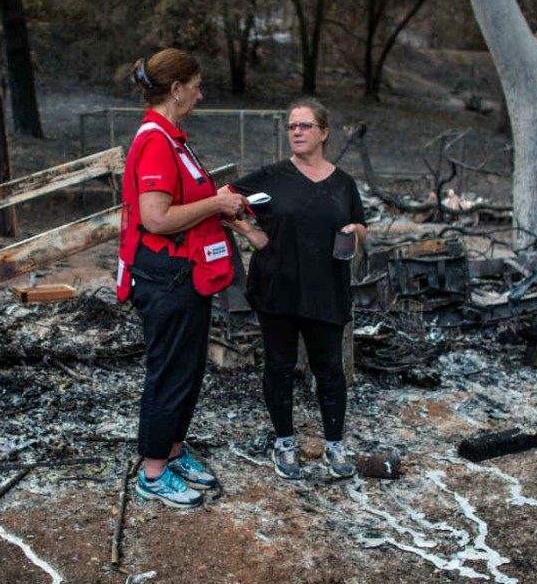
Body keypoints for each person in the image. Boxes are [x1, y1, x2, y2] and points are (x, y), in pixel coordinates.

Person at [115, 49, 249, 508]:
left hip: (187, 274)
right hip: (163, 276)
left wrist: (218, 198)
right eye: (196, 84)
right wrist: (215, 205)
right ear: (176, 89)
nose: (201, 92)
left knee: (187, 368)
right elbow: (155, 217)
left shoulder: (174, 139)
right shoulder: (154, 140)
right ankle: (152, 472)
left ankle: (172, 451)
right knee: (169, 370)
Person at [223, 98, 367, 480]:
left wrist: (357, 234)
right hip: (278, 287)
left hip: (326, 289)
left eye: (305, 126)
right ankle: (285, 442)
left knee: (331, 369)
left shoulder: (343, 183)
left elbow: (359, 226)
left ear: (323, 132)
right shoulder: (271, 177)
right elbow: (224, 199)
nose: (297, 132)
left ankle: (334, 444)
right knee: (279, 367)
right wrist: (252, 233)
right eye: (292, 127)